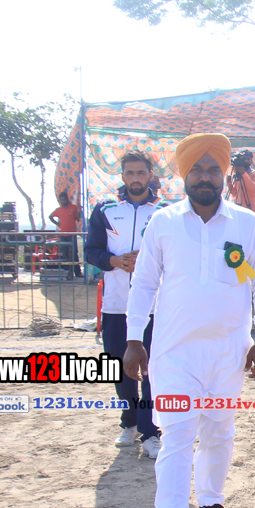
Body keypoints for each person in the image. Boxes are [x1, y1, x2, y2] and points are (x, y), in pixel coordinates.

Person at [123, 133, 255, 508]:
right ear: (183, 174)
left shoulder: (245, 223)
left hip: (229, 351)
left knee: (218, 431)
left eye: (213, 169)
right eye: (197, 169)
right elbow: (144, 283)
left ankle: (210, 505)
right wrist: (134, 338)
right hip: (174, 352)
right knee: (177, 435)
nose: (205, 176)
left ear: (223, 174)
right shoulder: (164, 222)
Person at [84, 149, 168, 458]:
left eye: (141, 173)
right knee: (120, 367)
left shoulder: (165, 211)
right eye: (130, 173)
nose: (135, 178)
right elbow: (91, 251)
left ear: (150, 176)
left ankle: (150, 431)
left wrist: (149, 262)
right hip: (116, 304)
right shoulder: (105, 209)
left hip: (154, 306)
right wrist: (115, 261)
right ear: (122, 175)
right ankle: (129, 422)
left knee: (152, 369)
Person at [50, 191, 83, 278]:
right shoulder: (58, 210)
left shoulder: (73, 208)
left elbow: (77, 218)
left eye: (64, 200)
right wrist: (58, 224)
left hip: (72, 234)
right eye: (61, 200)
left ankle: (77, 272)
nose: (63, 201)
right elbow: (50, 216)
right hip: (62, 235)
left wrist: (79, 211)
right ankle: (68, 272)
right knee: (64, 254)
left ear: (67, 199)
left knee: (74, 253)